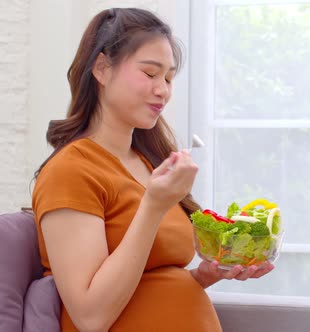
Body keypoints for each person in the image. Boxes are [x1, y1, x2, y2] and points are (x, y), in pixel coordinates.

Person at [32, 8, 274, 332]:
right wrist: (154, 206)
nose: (163, 90)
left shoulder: (147, 164)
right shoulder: (70, 171)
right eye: (150, 73)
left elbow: (148, 282)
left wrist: (204, 276)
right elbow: (91, 316)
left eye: (169, 78)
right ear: (102, 68)